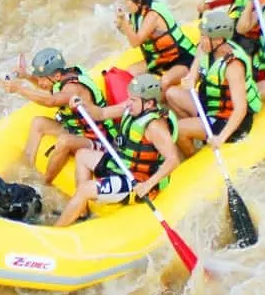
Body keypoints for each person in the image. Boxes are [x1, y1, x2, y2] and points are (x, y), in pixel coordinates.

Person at [55, 72, 182, 228]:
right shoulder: (133, 108)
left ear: (148, 104)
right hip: (122, 165)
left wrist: (147, 185)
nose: (128, 103)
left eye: (133, 100)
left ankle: (57, 230)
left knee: (84, 189)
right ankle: (81, 213)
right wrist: (82, 104)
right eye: (129, 98)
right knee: (82, 155)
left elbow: (173, 160)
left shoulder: (155, 126)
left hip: (138, 181)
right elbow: (101, 113)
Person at [1, 48, 113, 184]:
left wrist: (19, 89)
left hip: (98, 139)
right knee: (38, 123)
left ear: (57, 76)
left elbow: (51, 101)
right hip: (78, 130)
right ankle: (26, 167)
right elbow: (49, 87)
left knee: (64, 141)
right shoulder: (63, 76)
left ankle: (44, 182)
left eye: (42, 77)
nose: (40, 81)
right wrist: (26, 76)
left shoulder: (73, 88)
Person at [167, 8, 261, 154]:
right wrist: (190, 79)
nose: (201, 40)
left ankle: (194, 156)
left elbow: (241, 108)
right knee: (171, 93)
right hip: (210, 106)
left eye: (205, 36)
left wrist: (221, 137)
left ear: (218, 39)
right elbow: (194, 74)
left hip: (226, 119)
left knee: (178, 128)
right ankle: (199, 135)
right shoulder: (205, 47)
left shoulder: (233, 66)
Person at [114, 0, 196, 88]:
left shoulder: (152, 15)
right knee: (129, 73)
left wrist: (124, 22)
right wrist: (120, 25)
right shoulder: (137, 14)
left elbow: (135, 42)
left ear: (139, 1)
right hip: (160, 59)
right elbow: (131, 34)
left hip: (181, 58)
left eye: (127, 1)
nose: (126, 4)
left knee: (165, 81)